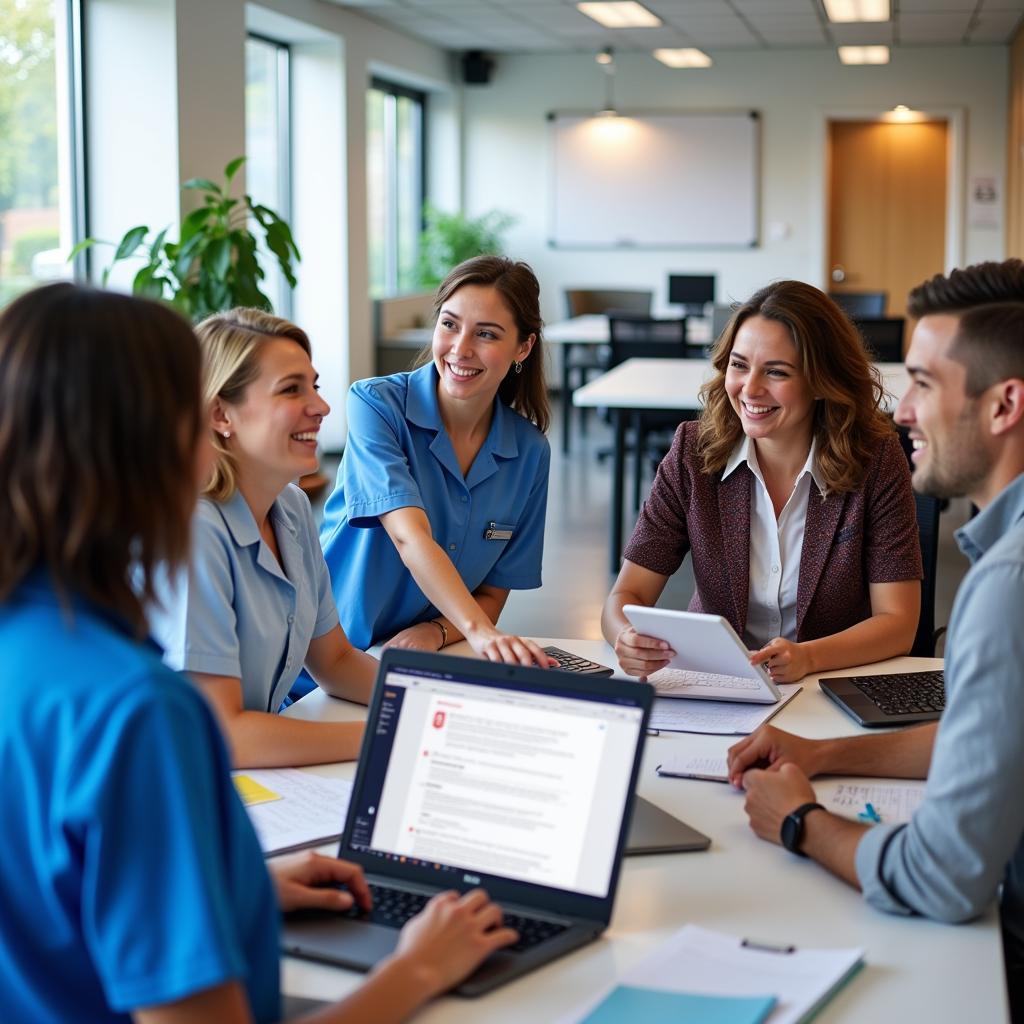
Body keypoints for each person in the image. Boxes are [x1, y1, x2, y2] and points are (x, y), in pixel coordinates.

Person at [0, 283, 517, 1024]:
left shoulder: (29, 647)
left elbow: (57, 894)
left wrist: (238, 882)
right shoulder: (138, 714)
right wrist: (416, 972)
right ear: (159, 438)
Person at [728, 269, 1024, 1020]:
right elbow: (991, 742)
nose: (908, 412)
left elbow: (942, 878)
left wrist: (799, 821)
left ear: (1004, 405)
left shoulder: (1007, 585)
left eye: (923, 383)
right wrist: (827, 755)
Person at [602, 279, 922, 683]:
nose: (749, 389)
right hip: (715, 683)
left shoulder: (875, 458)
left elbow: (898, 622)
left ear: (821, 381)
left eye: (776, 372)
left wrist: (807, 658)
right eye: (739, 365)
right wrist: (626, 638)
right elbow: (624, 597)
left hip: (825, 683)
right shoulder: (693, 451)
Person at [149, 309, 379, 768]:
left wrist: (435, 701)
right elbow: (224, 733)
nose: (321, 406)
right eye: (292, 389)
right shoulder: (196, 529)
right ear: (220, 414)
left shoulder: (289, 506)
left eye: (314, 385)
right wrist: (392, 733)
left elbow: (333, 660)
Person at [319, 255, 554, 667]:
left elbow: (494, 592)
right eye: (449, 324)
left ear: (523, 346)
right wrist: (479, 630)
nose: (460, 349)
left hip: (422, 661)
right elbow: (409, 536)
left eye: (486, 334)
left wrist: (437, 631)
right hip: (326, 660)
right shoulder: (375, 406)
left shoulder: (530, 453)